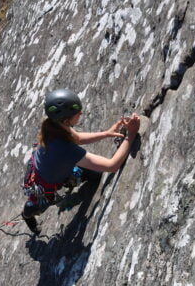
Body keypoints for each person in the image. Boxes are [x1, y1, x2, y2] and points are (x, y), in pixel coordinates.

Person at [22, 89, 140, 234]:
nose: (81, 114)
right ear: (66, 120)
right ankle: (27, 214)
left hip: (50, 167)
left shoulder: (53, 125)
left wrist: (106, 133)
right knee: (37, 205)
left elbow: (77, 139)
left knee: (96, 175)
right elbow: (112, 166)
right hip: (44, 186)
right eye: (77, 113)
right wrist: (131, 135)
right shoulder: (65, 148)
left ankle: (75, 179)